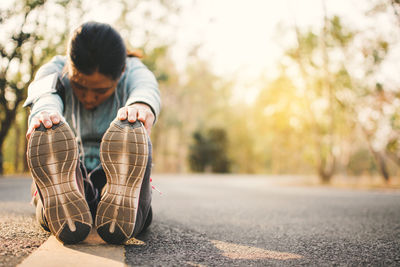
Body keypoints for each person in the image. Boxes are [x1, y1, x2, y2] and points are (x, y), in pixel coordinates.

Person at [23, 21, 160, 245]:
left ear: (122, 71)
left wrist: (141, 108)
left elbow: (146, 87)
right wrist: (45, 113)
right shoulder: (54, 69)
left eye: (100, 90)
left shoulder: (133, 69)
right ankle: (65, 195)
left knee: (136, 131)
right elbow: (44, 93)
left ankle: (129, 205)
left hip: (116, 170)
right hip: (71, 169)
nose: (88, 97)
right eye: (79, 86)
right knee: (48, 137)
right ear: (68, 65)